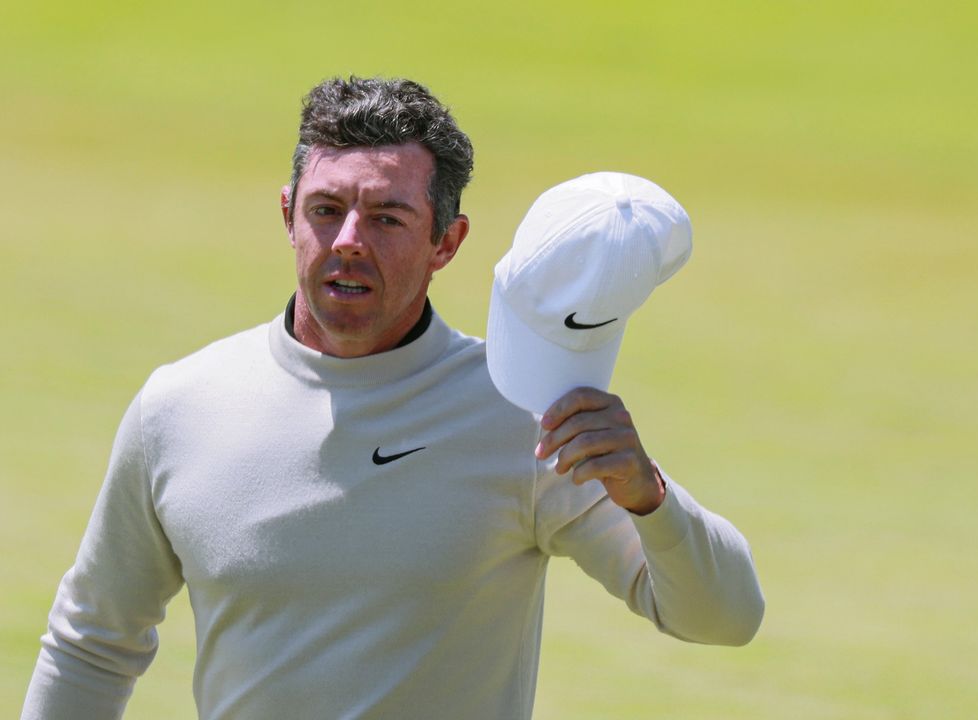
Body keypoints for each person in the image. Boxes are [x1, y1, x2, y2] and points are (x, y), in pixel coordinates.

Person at [21, 76, 764, 719]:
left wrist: (649, 498)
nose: (348, 240)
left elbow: (724, 618)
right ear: (287, 214)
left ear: (447, 241)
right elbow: (92, 644)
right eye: (324, 210)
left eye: (386, 218)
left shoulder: (522, 414)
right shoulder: (178, 407)